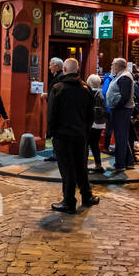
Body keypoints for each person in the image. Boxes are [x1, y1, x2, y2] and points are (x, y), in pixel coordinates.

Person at [46, 58, 100, 213]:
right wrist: (85, 130)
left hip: (62, 136)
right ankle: (87, 196)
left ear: (64, 69)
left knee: (67, 169)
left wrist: (50, 133)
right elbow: (91, 114)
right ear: (77, 70)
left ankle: (69, 201)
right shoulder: (86, 88)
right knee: (81, 166)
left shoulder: (57, 88)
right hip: (80, 135)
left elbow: (52, 115)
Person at [105, 58, 136, 174]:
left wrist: (116, 105)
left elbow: (124, 96)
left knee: (120, 138)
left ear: (119, 66)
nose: (112, 66)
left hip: (122, 111)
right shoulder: (120, 75)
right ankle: (128, 162)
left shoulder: (125, 77)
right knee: (121, 137)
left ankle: (120, 164)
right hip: (119, 110)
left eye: (113, 64)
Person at [86, 74, 108, 173]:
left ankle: (83, 166)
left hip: (91, 122)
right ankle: (98, 165)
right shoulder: (101, 93)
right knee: (95, 144)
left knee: (85, 144)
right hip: (100, 123)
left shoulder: (89, 93)